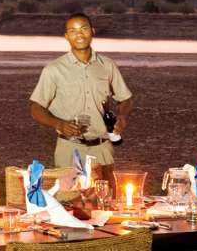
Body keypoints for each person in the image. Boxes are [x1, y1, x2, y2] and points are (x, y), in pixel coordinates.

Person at [29, 12, 133, 185]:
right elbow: (35, 108)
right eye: (73, 31)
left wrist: (122, 116)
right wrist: (59, 124)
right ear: (66, 36)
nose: (79, 34)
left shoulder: (107, 66)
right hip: (69, 149)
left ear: (92, 31)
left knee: (105, 203)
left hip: (102, 149)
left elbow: (126, 99)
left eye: (84, 29)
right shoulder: (53, 70)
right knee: (71, 203)